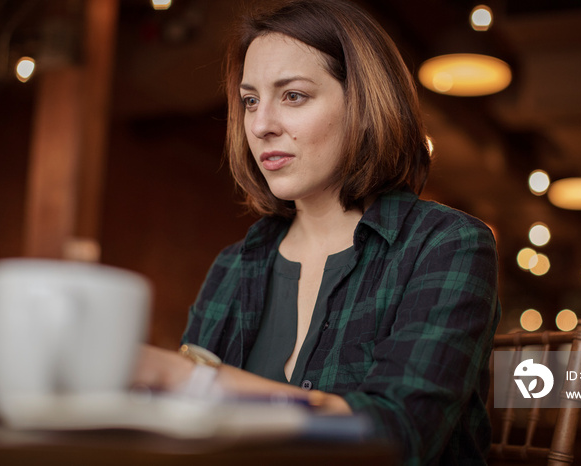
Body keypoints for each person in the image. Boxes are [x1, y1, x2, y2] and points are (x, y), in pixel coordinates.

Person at [134, 0, 501, 464]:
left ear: (364, 105)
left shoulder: (447, 245)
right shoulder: (236, 264)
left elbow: (397, 434)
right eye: (250, 101)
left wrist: (189, 379)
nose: (261, 125)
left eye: (293, 96)